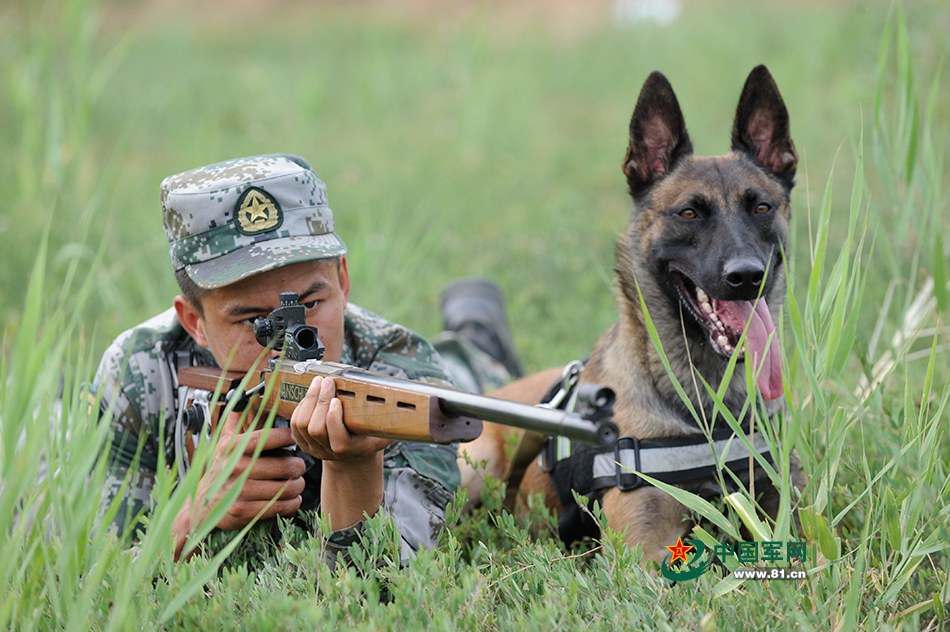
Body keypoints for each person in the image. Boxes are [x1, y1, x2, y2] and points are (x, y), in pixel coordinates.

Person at [94, 154, 521, 563]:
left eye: (310, 304)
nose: (286, 342)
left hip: (455, 376)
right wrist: (194, 518)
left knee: (467, 375)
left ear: (343, 279)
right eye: (253, 320)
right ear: (194, 321)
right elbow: (93, 578)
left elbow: (383, 590)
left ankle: (476, 337)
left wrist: (354, 467)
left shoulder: (399, 373)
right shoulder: (141, 370)